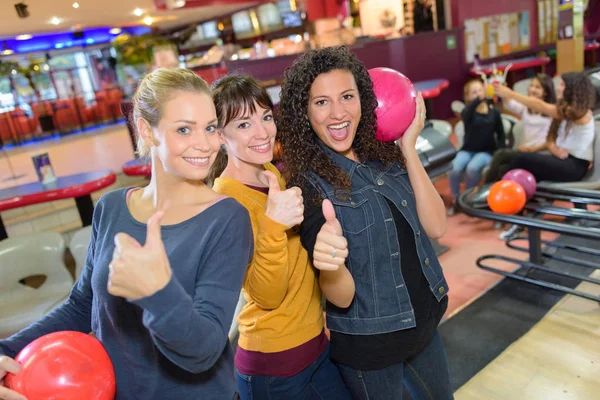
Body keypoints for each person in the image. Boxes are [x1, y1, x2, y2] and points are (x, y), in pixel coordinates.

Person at [0, 68, 253, 400]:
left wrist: (158, 292)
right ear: (146, 130)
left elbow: (204, 351)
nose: (205, 144)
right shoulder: (111, 207)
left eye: (209, 128)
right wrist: (6, 348)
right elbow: (81, 305)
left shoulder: (227, 220)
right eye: (183, 129)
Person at [277, 46, 452, 400]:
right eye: (321, 102)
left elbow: (437, 227)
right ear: (304, 113)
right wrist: (330, 265)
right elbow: (341, 297)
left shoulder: (385, 154)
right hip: (371, 348)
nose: (338, 113)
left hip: (426, 323)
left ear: (364, 99)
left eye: (347, 96)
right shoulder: (307, 186)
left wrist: (409, 149)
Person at [208, 74, 352, 400]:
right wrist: (273, 226)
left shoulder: (268, 171)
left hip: (313, 343)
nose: (263, 132)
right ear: (219, 136)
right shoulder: (227, 203)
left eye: (266, 117)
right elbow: (267, 295)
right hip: (276, 366)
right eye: (244, 125)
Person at [493, 72, 596, 183]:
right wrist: (556, 150)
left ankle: (499, 189)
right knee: (503, 157)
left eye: (562, 85)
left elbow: (541, 105)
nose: (557, 88)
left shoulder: (583, 114)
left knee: (521, 159)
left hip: (574, 167)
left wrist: (511, 94)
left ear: (572, 89)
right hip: (561, 160)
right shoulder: (564, 110)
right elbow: (551, 139)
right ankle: (489, 190)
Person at [484, 73, 556, 184]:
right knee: (502, 169)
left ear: (546, 92)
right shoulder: (526, 109)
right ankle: (492, 194)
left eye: (537, 87)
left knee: (501, 155)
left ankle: (485, 190)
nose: (532, 89)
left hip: (541, 154)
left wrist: (532, 149)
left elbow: (553, 142)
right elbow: (509, 103)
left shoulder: (551, 112)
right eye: (531, 86)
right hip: (526, 153)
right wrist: (503, 91)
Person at [448, 78, 506, 215]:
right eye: (474, 92)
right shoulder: (468, 112)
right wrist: (479, 98)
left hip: (486, 152)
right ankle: (456, 199)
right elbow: (467, 112)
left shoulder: (494, 112)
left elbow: (501, 134)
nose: (479, 94)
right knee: (453, 168)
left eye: (480, 90)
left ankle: (469, 200)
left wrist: (499, 153)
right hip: (467, 150)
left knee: (472, 168)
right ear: (468, 97)